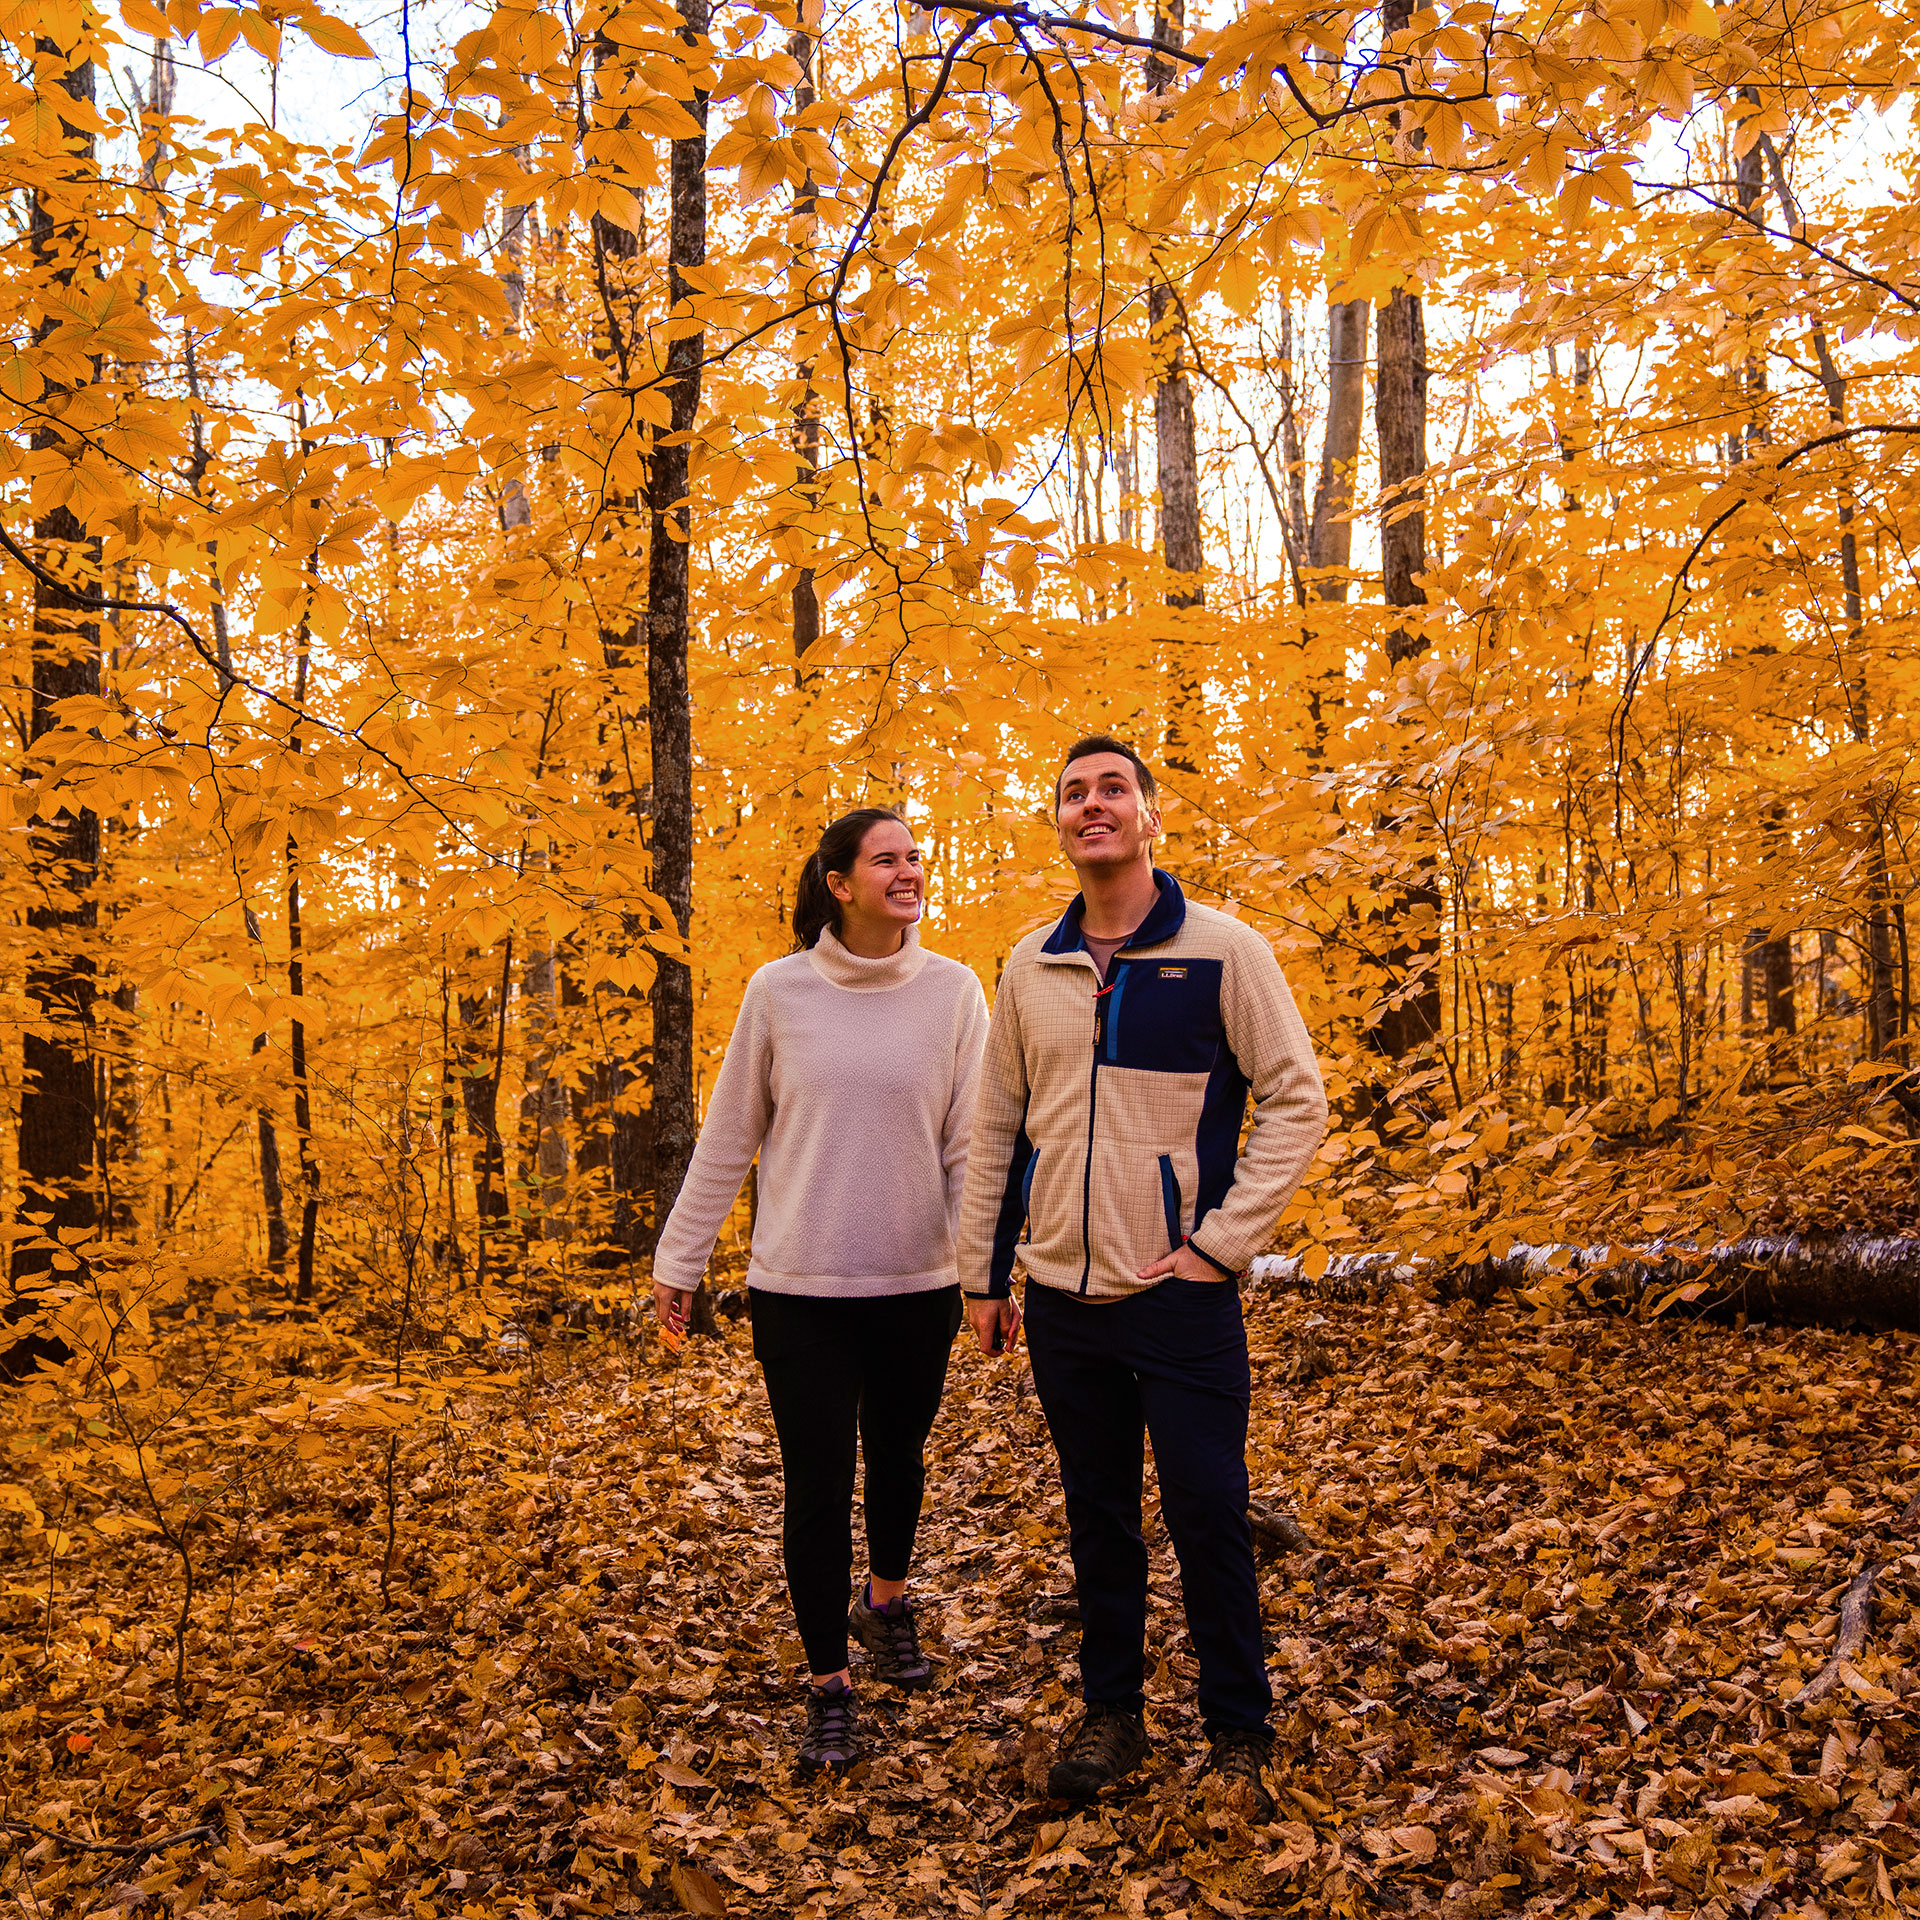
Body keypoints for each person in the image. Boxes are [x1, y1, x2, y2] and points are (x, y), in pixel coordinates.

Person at [956, 736, 1328, 1818]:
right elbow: (996, 1126)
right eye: (1073, 794)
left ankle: (1237, 1738)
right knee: (1098, 1516)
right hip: (1064, 1304)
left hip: (1181, 1298)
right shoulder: (1032, 963)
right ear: (1059, 825)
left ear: (1150, 816)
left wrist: (1220, 1242)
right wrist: (985, 1275)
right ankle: (1113, 1717)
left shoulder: (1223, 950)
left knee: (1210, 1512)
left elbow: (1296, 1100)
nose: (1092, 806)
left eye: (1112, 788)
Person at [651, 806, 988, 1776]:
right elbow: (728, 1135)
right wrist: (681, 1261)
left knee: (898, 1463)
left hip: (918, 1284)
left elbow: (972, 1148)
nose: (911, 870)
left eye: (917, 855)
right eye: (888, 859)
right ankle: (828, 1686)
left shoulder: (958, 994)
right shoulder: (780, 992)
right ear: (840, 884)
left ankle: (887, 1600)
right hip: (799, 1290)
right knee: (815, 1486)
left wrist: (984, 1271)